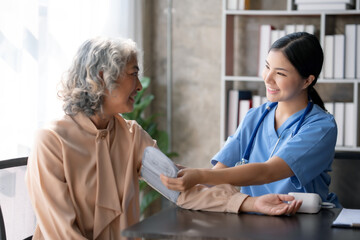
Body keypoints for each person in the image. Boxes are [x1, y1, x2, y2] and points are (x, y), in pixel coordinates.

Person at [25, 37, 302, 240]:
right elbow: (61, 233)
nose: (138, 85)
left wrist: (253, 203)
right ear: (101, 77)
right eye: (133, 74)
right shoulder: (51, 141)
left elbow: (181, 189)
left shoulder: (131, 135)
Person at [161, 32, 340, 207]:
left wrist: (201, 175)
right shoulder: (255, 117)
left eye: (280, 73)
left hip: (305, 224)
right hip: (255, 217)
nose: (267, 78)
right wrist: (181, 174)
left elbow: (268, 172)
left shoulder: (322, 127)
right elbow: (217, 175)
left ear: (307, 81)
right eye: (267, 66)